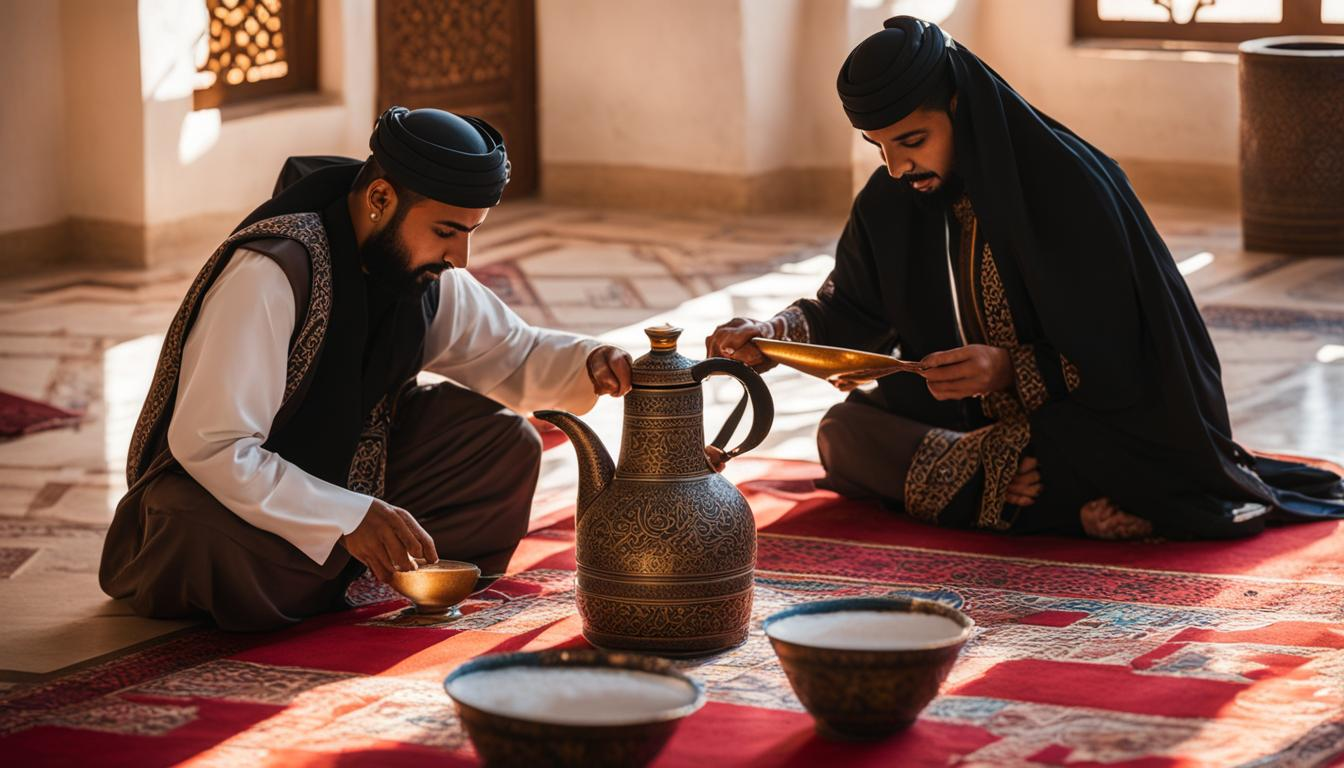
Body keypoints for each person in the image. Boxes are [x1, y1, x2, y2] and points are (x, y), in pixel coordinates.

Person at [707, 16, 1343, 540]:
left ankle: (1039, 498)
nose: (898, 166)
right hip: (967, 419)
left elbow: (1126, 357)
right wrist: (775, 332)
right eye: (880, 147)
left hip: (1082, 418)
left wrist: (1011, 369)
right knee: (844, 434)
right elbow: (852, 306)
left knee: (1103, 461)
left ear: (959, 103)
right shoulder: (890, 201)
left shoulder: (1069, 189)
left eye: (913, 140)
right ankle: (1034, 497)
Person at [100, 107, 634, 630]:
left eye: (470, 232)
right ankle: (339, 566)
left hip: (357, 470)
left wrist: (590, 362)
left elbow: (512, 353)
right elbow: (214, 447)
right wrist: (346, 517)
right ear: (381, 198)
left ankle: (344, 567)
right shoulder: (270, 273)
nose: (461, 257)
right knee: (204, 537)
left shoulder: (417, 268)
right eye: (448, 231)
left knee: (502, 446)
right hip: (226, 496)